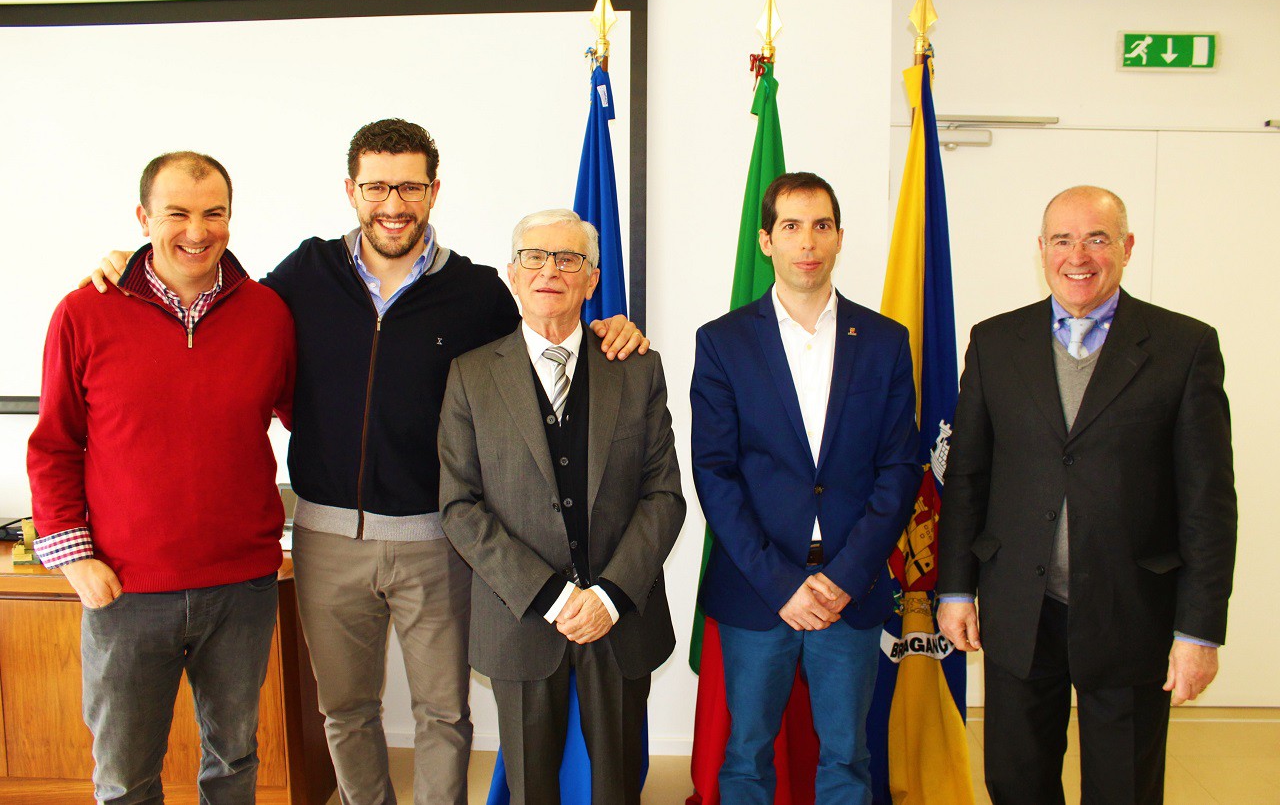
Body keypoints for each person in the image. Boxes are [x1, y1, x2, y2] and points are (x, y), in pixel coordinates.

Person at [88, 118, 645, 805]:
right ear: (350, 190)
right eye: (376, 185)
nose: (393, 203)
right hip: (326, 541)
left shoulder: (475, 292)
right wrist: (133, 263)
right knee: (345, 713)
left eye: (409, 186)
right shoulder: (305, 274)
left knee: (444, 714)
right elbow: (216, 301)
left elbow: (542, 344)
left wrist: (606, 327)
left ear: (433, 192)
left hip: (439, 541)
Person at [937, 185, 1237, 804]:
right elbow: (968, 477)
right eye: (1063, 239)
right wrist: (957, 587)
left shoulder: (1184, 348)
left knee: (1122, 787)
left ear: (1126, 248)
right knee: (1016, 782)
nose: (1080, 255)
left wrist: (1199, 631)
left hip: (1133, 611)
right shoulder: (995, 343)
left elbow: (1208, 503)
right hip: (1022, 606)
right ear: (1041, 250)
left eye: (1098, 238)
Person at [29, 152, 296, 804]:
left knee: (233, 759)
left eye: (214, 213)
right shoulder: (83, 311)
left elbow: (316, 421)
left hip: (241, 585)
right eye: (177, 213)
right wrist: (74, 559)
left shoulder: (268, 314)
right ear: (143, 216)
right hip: (124, 589)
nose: (197, 231)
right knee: (124, 774)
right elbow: (55, 445)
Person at [437, 209, 683, 805]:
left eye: (569, 258)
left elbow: (664, 494)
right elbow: (459, 506)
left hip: (620, 618)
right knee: (529, 789)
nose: (551, 269)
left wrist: (608, 597)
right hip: (522, 618)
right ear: (512, 275)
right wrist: (551, 596)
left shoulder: (637, 367)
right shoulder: (471, 376)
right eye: (535, 257)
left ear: (592, 279)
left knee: (618, 786)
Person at [690, 172, 920, 804]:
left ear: (840, 237)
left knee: (847, 758)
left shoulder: (884, 341)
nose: (807, 241)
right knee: (745, 758)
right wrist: (781, 583)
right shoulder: (723, 342)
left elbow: (900, 469)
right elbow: (715, 473)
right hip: (757, 589)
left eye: (821, 225)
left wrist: (845, 577)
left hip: (851, 584)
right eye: (790, 226)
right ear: (766, 240)